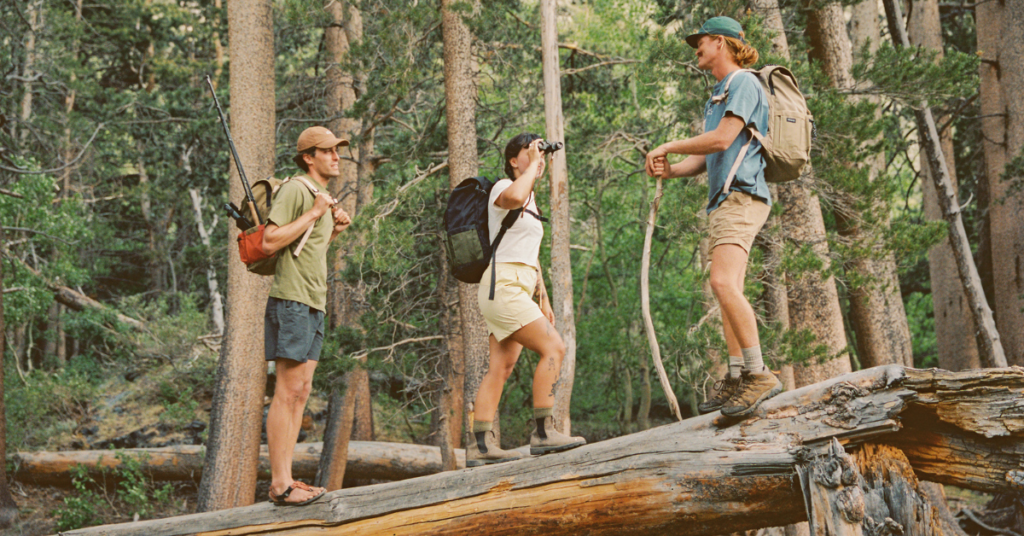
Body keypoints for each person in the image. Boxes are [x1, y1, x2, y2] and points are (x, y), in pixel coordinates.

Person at [645, 17, 782, 419]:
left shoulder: (742, 82)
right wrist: (670, 169)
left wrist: (668, 143)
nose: (696, 49)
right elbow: (708, 156)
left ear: (720, 42)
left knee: (721, 282)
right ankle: (738, 375)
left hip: (742, 196)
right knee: (728, 289)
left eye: (701, 42)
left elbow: (724, 138)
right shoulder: (719, 93)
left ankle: (759, 373)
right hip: (725, 199)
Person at [466, 133, 586, 466]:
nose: (539, 156)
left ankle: (479, 446)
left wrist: (543, 299)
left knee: (500, 368)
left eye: (541, 151)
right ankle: (544, 432)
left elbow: (530, 256)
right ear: (512, 160)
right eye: (529, 150)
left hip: (517, 286)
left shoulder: (530, 199)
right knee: (555, 348)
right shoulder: (504, 187)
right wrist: (532, 165)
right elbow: (515, 197)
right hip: (502, 286)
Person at [261, 126, 352, 506]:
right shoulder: (297, 189)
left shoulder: (321, 196)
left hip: (314, 302)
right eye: (327, 151)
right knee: (287, 392)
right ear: (308, 157)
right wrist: (317, 211)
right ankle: (280, 484)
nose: (335, 156)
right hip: (292, 301)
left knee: (301, 392)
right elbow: (270, 240)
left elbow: (304, 247)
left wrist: (331, 230)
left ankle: (289, 479)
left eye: (337, 150)